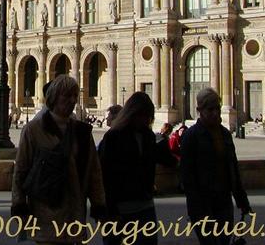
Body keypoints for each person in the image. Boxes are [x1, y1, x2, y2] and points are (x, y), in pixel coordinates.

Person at [12, 75, 105, 244]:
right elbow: (20, 171)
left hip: (75, 213)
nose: (72, 100)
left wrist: (99, 207)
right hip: (45, 213)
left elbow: (94, 172)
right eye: (66, 95)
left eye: (75, 96)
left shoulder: (82, 132)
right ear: (54, 98)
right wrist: (19, 207)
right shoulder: (33, 130)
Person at [98, 92, 177, 245]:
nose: (147, 120)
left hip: (144, 204)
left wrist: (176, 160)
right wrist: (110, 210)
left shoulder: (148, 136)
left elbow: (159, 157)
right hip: (119, 208)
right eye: (144, 116)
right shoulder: (114, 137)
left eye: (149, 116)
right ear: (132, 114)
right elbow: (105, 174)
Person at [180, 88, 251, 245]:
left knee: (224, 241)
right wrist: (195, 208)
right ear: (200, 110)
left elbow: (232, 168)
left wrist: (242, 200)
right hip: (202, 202)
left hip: (223, 199)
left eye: (217, 108)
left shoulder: (224, 134)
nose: (215, 113)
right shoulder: (191, 136)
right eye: (210, 109)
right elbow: (187, 176)